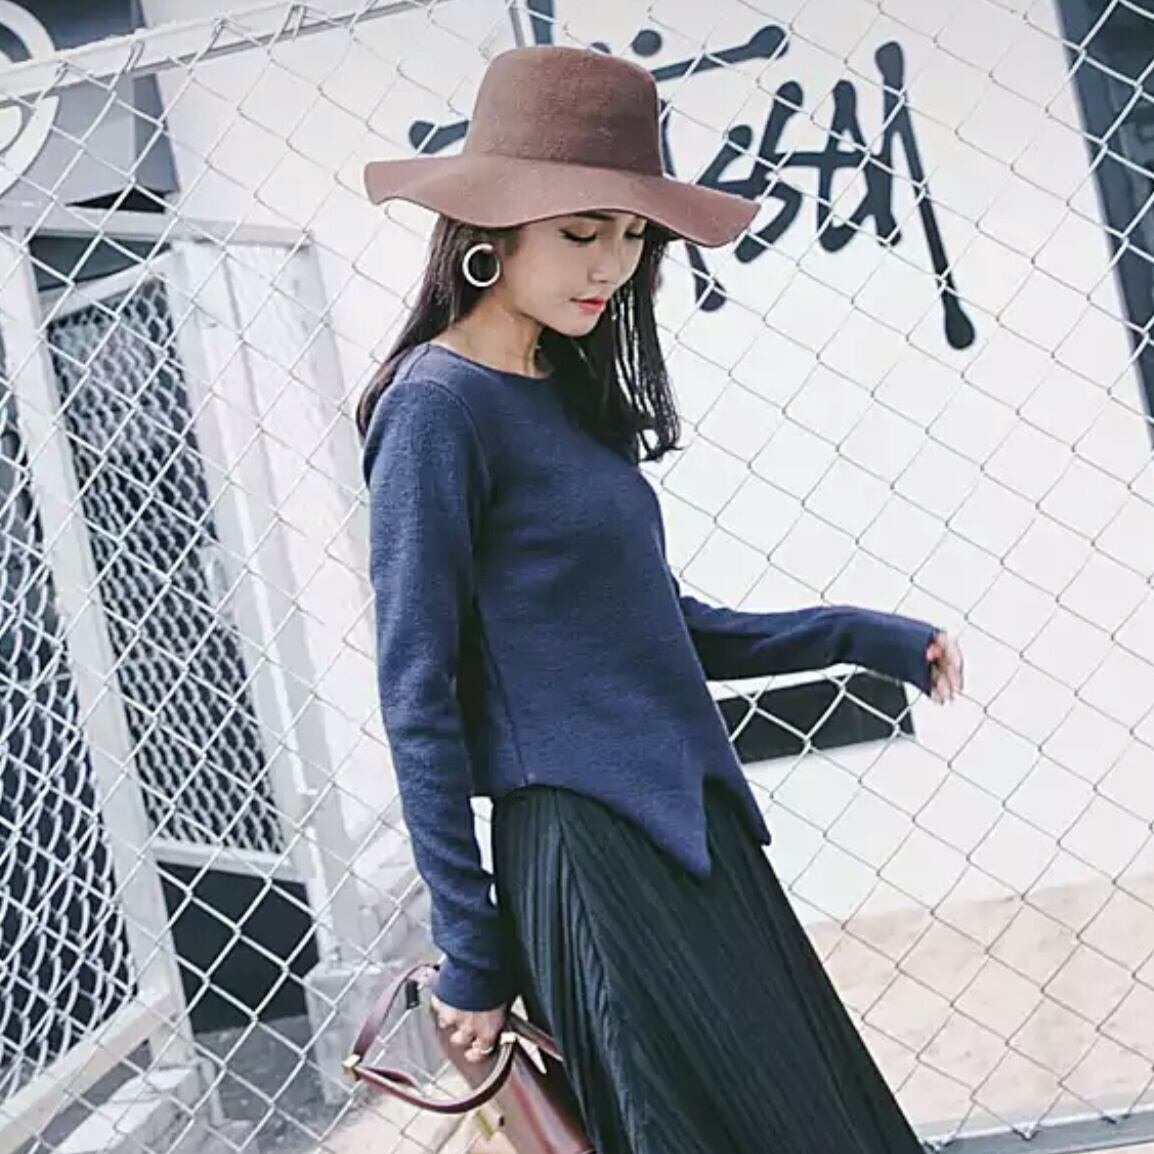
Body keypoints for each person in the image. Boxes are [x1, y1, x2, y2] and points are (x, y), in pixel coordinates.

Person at [356, 44, 964, 1154]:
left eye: (633, 236)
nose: (612, 264)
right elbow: (417, 690)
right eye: (581, 232)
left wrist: (864, 637)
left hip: (694, 837)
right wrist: (471, 947)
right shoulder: (436, 407)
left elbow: (662, 629)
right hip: (588, 856)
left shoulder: (563, 383)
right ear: (489, 230)